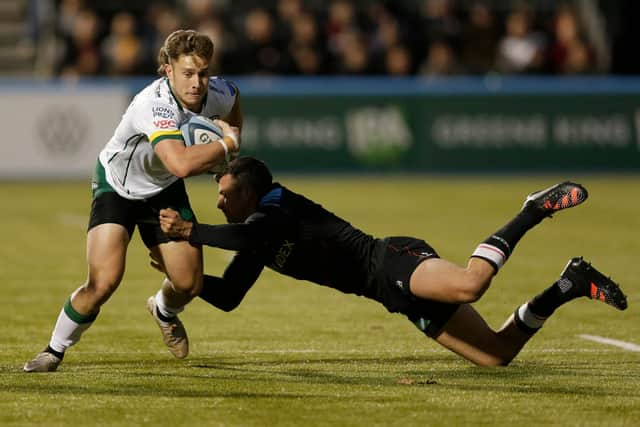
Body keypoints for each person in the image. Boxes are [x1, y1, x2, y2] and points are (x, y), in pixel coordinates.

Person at [155, 156, 627, 366]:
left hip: (391, 261)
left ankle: (531, 209)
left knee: (469, 284)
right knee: (496, 355)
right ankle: (570, 284)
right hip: (385, 291)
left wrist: (188, 232)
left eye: (224, 193)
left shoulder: (277, 208)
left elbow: (244, 234)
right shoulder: (254, 234)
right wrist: (188, 282)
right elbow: (231, 296)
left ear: (251, 190)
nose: (218, 202)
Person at [24, 29, 243, 372]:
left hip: (163, 189)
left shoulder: (218, 90)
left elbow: (234, 105)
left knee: (189, 284)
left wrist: (231, 139)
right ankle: (53, 350)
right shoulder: (153, 105)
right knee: (104, 281)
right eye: (187, 73)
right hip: (118, 186)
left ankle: (163, 309)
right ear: (168, 70)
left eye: (202, 73)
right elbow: (181, 164)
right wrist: (228, 146)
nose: (197, 83)